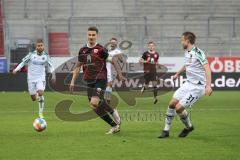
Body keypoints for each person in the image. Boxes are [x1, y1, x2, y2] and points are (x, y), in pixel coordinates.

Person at [69, 27, 125, 134]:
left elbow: (113, 60)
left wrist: (120, 74)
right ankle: (114, 124)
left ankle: (113, 114)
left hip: (101, 78)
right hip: (89, 80)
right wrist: (72, 81)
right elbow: (78, 66)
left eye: (93, 35)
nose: (91, 37)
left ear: (97, 36)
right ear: (87, 35)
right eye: (89, 35)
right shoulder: (82, 50)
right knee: (94, 105)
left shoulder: (101, 49)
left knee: (94, 102)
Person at [158, 32, 212, 138]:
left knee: (178, 108)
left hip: (197, 87)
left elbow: (207, 68)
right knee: (172, 103)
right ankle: (166, 130)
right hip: (188, 84)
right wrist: (177, 74)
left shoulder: (198, 53)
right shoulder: (187, 52)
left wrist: (208, 86)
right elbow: (187, 65)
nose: (181, 42)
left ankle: (188, 127)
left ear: (187, 41)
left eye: (182, 40)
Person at [13, 39, 55, 119]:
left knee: (40, 93)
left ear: (43, 46)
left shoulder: (46, 56)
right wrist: (16, 69)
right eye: (38, 46)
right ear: (36, 47)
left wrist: (53, 75)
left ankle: (40, 113)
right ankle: (37, 96)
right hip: (31, 78)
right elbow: (23, 62)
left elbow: (51, 66)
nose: (40, 47)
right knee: (33, 98)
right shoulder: (31, 55)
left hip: (40, 78)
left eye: (41, 45)